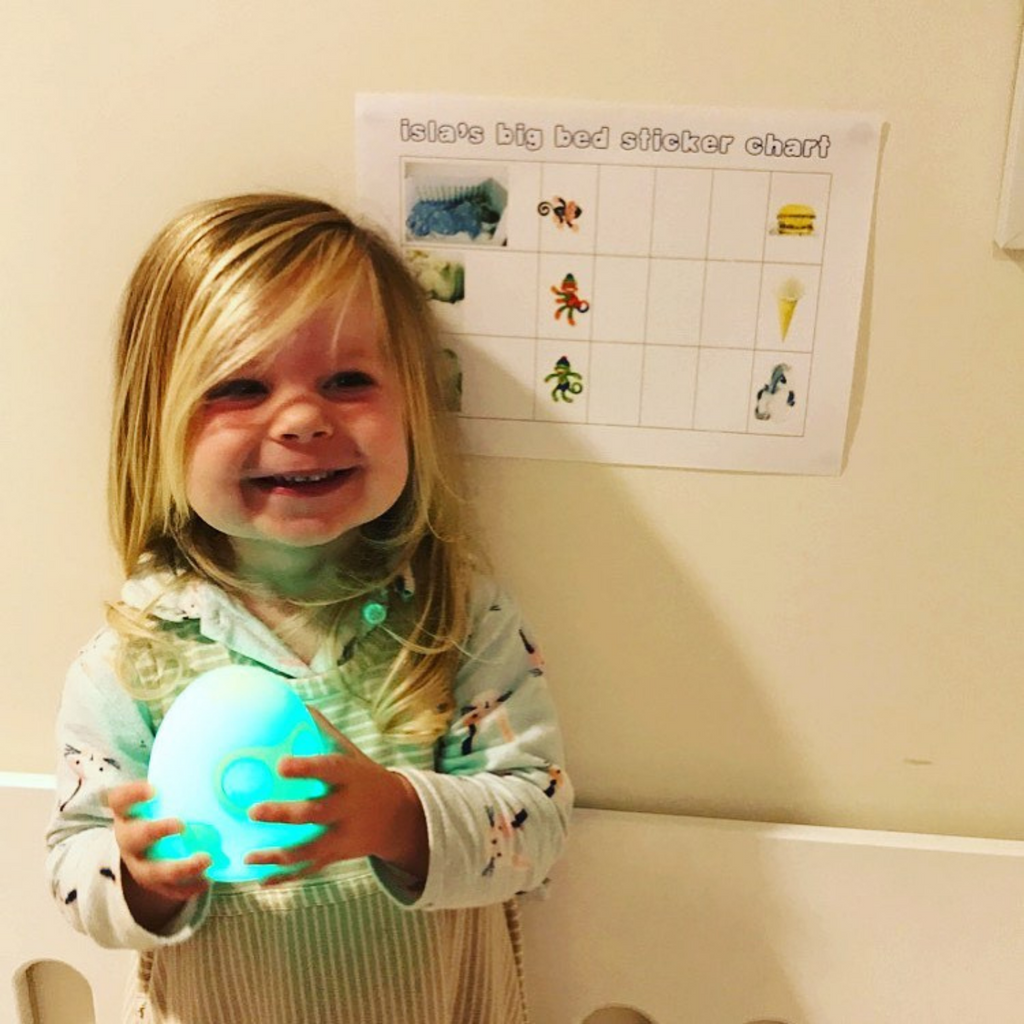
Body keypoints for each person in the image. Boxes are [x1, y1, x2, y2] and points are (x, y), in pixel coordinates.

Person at [45, 193, 573, 1023]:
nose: (301, 419)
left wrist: (398, 817)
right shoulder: (132, 654)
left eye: (348, 380)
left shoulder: (456, 619)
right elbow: (72, 861)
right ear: (157, 423)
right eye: (242, 386)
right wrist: (139, 882)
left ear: (412, 406)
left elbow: (535, 829)